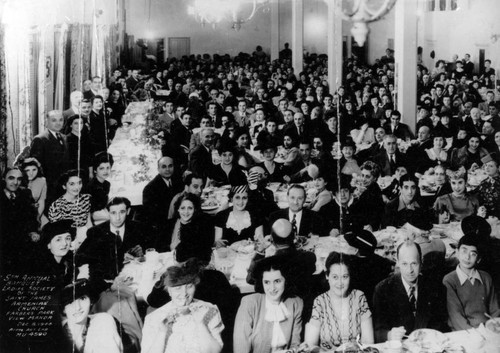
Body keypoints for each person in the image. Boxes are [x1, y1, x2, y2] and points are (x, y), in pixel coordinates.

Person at [141, 262, 224, 353]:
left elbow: (214, 351)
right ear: (169, 290)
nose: (184, 293)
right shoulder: (153, 318)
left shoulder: (210, 310)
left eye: (189, 286)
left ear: (195, 287)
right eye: (178, 288)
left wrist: (201, 325)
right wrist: (162, 332)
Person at [373, 240, 446, 343]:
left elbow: (441, 324)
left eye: (414, 263)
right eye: (404, 264)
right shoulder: (383, 290)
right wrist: (389, 335)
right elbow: (377, 331)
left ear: (421, 261)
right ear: (397, 262)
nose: (410, 270)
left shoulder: (434, 287)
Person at [303, 252, 374, 350]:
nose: (340, 283)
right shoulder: (320, 302)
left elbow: (368, 341)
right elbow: (311, 345)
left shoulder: (359, 297)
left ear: (350, 276)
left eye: (344, 277)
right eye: (335, 277)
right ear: (327, 276)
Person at [234, 256, 303, 353]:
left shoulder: (296, 303)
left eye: (277, 281)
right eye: (267, 282)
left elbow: (295, 345)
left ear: (286, 280)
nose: (272, 288)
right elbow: (240, 349)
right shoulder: (249, 303)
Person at [442, 233, 500, 331]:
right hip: (463, 332)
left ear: (479, 259)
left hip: (487, 329)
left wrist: (492, 326)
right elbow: (456, 317)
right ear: (456, 252)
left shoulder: (486, 277)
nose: (467, 257)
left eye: (473, 254)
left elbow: (495, 309)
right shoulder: (449, 280)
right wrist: (475, 335)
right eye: (464, 251)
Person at [60, 280, 126, 353]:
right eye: (70, 302)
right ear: (63, 309)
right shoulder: (54, 335)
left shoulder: (102, 321)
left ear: (90, 301)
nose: (78, 307)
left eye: (82, 298)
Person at [0, 167, 39, 271]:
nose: (15, 182)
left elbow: (32, 217)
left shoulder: (25, 194)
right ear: (4, 179)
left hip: (22, 243)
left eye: (19, 179)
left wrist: (33, 231)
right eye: (11, 178)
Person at [345, 230, 394, 310]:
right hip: (377, 303)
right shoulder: (381, 262)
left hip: (357, 305)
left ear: (357, 250)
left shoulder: (351, 263)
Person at [30, 110, 71, 206]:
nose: (58, 123)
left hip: (63, 185)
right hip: (49, 187)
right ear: (46, 122)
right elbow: (36, 166)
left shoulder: (64, 137)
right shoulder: (40, 139)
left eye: (61, 120)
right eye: (54, 120)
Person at [160, 193, 214, 263]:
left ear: (195, 209)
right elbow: (159, 248)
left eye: (190, 208)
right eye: (183, 208)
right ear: (178, 209)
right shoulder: (170, 224)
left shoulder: (200, 226)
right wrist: (170, 247)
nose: (186, 212)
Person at [48, 169, 92, 249]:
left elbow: (89, 223)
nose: (77, 187)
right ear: (64, 186)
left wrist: (92, 238)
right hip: (67, 241)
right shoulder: (57, 206)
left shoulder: (86, 198)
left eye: (79, 183)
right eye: (72, 184)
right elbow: (57, 233)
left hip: (85, 237)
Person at [143, 156, 183, 234]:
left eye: (170, 166)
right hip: (162, 229)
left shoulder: (177, 181)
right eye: (164, 167)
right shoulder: (150, 189)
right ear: (158, 169)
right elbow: (152, 217)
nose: (167, 169)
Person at [349, 161, 385, 231]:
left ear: (374, 178)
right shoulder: (359, 187)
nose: (363, 179)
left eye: (367, 176)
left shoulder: (375, 192)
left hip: (364, 228)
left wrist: (372, 225)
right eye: (362, 175)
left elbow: (377, 214)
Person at [87, 152, 114, 225]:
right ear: (95, 170)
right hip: (93, 217)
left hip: (103, 211)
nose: (105, 171)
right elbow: (88, 212)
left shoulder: (107, 184)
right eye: (101, 168)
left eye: (108, 168)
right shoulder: (91, 187)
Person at [21, 157, 48, 226]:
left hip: (36, 213)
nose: (31, 173)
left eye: (34, 170)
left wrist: (38, 217)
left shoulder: (42, 181)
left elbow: (41, 202)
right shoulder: (18, 181)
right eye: (27, 170)